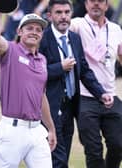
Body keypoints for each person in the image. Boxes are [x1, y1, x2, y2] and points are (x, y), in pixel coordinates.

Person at [39, 0, 113, 167]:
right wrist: (60, 67)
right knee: (58, 159)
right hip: (50, 107)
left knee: (63, 155)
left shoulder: (75, 38)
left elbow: (84, 71)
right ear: (50, 16)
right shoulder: (42, 39)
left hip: (71, 106)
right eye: (58, 13)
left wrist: (101, 93)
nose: (63, 17)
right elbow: (35, 73)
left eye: (66, 12)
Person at [0, 11, 57, 168]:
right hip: (12, 131)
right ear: (19, 32)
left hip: (36, 130)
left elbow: (41, 96)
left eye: (38, 29)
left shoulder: (42, 60)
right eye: (29, 28)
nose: (34, 32)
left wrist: (51, 128)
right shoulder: (10, 50)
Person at [70, 0, 122, 167]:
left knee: (118, 145)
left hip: (111, 96)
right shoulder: (77, 25)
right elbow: (58, 27)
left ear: (107, 5)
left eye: (100, 1)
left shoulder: (115, 29)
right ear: (86, 4)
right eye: (92, 1)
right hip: (86, 97)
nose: (96, 4)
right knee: (93, 150)